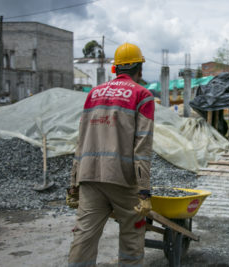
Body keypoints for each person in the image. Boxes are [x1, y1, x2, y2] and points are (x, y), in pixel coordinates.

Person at [68, 42, 155, 267]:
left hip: (89, 178)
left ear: (115, 69)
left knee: (84, 237)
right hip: (123, 181)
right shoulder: (142, 96)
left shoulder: (93, 94)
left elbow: (81, 141)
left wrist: (73, 183)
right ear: (140, 69)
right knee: (132, 237)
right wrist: (144, 192)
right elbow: (142, 148)